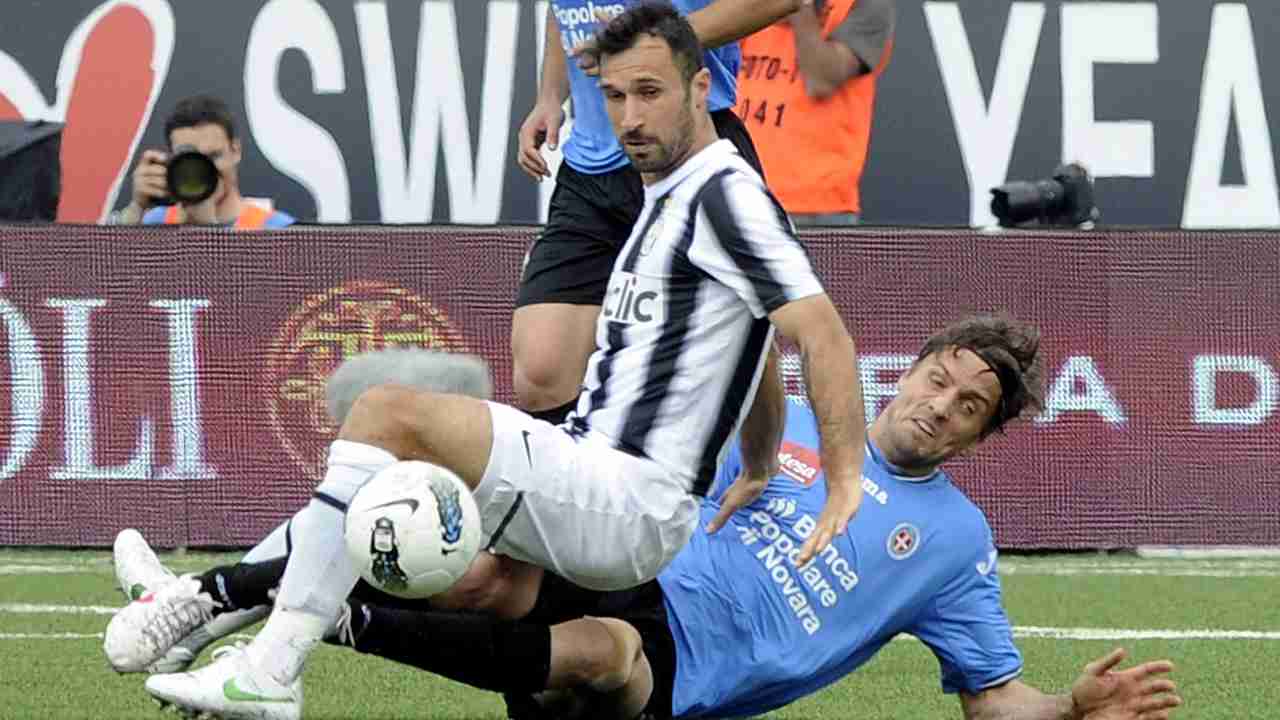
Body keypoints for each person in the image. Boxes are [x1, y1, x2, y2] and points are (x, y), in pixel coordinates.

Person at [109, 7, 866, 719]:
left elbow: (820, 331)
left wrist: (843, 477)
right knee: (404, 502)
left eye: (648, 93)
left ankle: (256, 655)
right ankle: (209, 612)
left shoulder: (725, 191)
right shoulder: (663, 194)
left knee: (388, 415)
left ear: (702, 86)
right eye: (612, 97)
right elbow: (760, 340)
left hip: (624, 496)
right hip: (596, 478)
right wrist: (760, 460)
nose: (630, 118)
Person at [112, 315, 1183, 720]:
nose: (937, 403)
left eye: (966, 407)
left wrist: (1070, 710)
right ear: (910, 369)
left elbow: (996, 705)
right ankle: (212, 599)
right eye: (938, 377)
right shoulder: (788, 414)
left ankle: (293, 623)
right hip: (639, 559)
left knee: (600, 652)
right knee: (474, 557)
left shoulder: (952, 547)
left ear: (974, 439)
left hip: (689, 662)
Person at [513, 0, 800, 424]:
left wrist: (652, 41)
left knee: (737, 331)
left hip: (688, 149)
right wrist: (551, 95)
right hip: (589, 169)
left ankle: (760, 469)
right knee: (541, 372)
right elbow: (566, 10)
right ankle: (583, 482)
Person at [737, 0, 894, 225]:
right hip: (740, 195)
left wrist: (799, 7)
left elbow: (820, 79)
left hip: (812, 206)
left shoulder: (866, 5)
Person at [108, 94, 294, 228]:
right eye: (191, 158)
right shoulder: (155, 223)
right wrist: (136, 208)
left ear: (235, 151)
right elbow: (109, 273)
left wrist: (204, 227)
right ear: (173, 161)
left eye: (213, 156)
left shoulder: (275, 230)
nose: (205, 169)